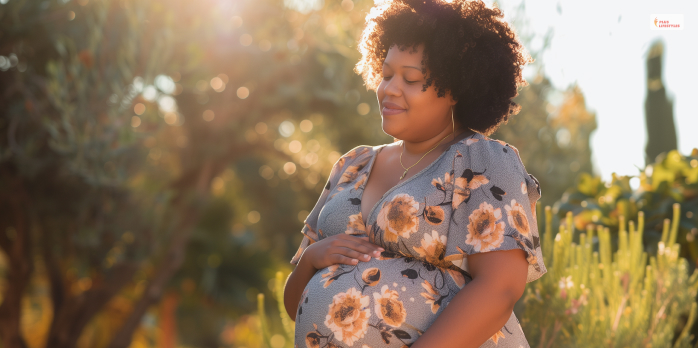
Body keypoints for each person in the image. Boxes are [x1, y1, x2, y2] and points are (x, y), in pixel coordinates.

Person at [283, 0, 546, 346]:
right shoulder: (353, 165)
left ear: (455, 90)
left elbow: (499, 290)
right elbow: (295, 305)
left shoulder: (482, 161)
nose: (389, 89)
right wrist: (312, 259)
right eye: (387, 73)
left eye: (411, 78)